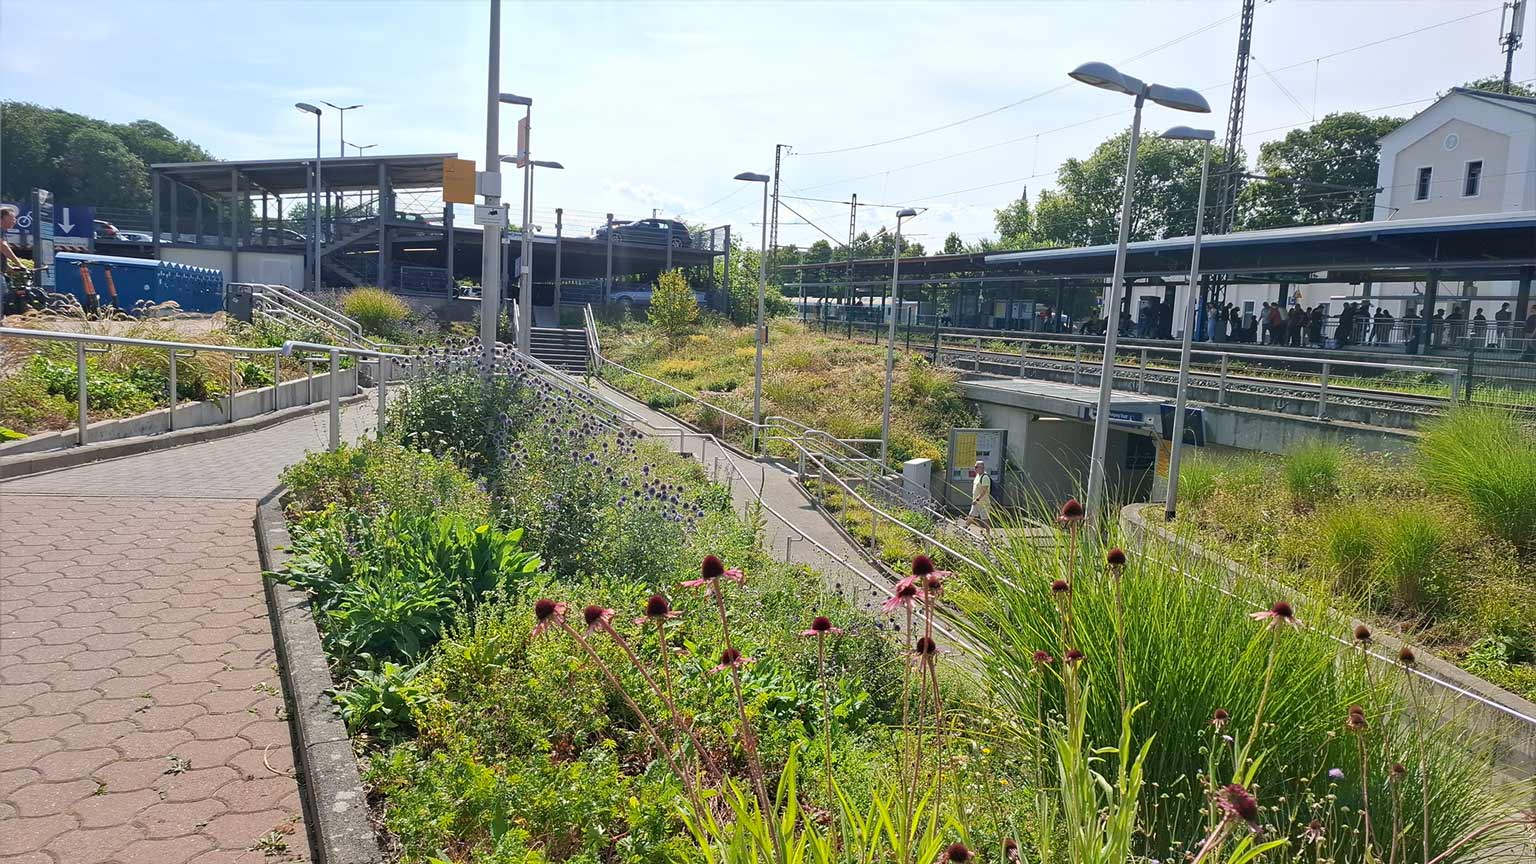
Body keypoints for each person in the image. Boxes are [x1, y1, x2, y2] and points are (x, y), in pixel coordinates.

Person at [968, 459, 992, 533]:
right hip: (976, 502)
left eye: (976, 467)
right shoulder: (978, 476)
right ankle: (964, 528)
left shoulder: (985, 477)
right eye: (975, 467)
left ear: (982, 468)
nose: (975, 468)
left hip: (983, 503)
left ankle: (988, 533)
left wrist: (977, 499)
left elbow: (984, 491)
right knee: (971, 516)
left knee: (985, 519)